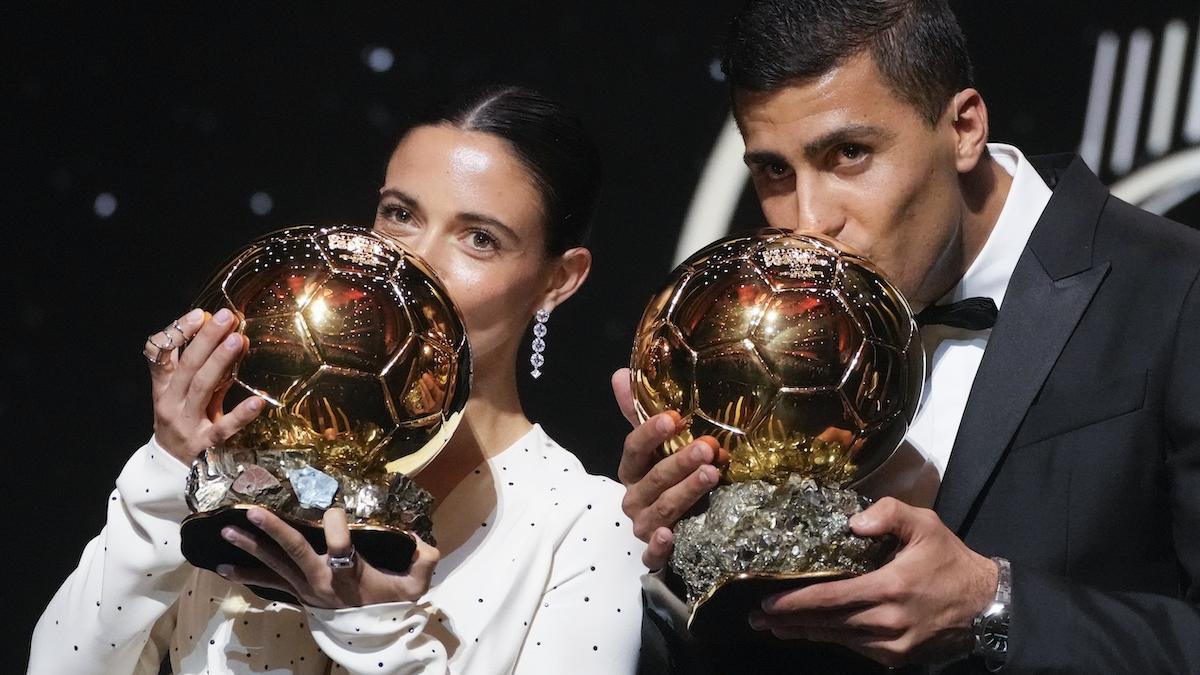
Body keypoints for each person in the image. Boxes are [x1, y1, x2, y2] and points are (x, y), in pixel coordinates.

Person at [616, 1, 1200, 673]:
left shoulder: (1177, 290)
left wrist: (996, 607)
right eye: (775, 171)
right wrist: (680, 544)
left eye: (849, 154)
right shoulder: (764, 338)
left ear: (963, 128)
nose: (808, 222)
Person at [29, 86, 647, 674]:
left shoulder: (582, 525)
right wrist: (167, 470)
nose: (414, 261)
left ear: (557, 280)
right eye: (400, 215)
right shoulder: (249, 452)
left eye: (479, 239)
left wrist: (373, 630)